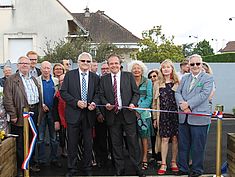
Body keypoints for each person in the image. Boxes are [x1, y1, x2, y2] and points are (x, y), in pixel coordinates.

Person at [99, 54, 145, 177]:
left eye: (116, 63)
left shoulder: (128, 76)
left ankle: (138, 168)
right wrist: (106, 103)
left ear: (120, 64)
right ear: (108, 65)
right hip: (112, 115)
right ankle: (120, 169)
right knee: (116, 144)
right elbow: (101, 95)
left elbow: (136, 93)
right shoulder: (104, 79)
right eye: (111, 63)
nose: (114, 65)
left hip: (128, 115)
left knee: (133, 143)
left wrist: (132, 103)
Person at [60, 52, 100, 177]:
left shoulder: (95, 77)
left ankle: (87, 168)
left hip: (89, 115)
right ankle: (72, 168)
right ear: (78, 62)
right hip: (73, 113)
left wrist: (94, 102)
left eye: (88, 61)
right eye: (83, 61)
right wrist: (76, 102)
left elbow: (98, 94)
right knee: (72, 143)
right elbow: (63, 92)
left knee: (88, 143)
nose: (85, 63)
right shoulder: (69, 75)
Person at [175, 54, 213, 177]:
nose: (195, 66)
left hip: (199, 118)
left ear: (201, 65)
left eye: (197, 64)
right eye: (192, 64)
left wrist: (188, 105)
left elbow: (204, 95)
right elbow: (177, 92)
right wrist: (182, 105)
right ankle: (183, 168)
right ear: (189, 66)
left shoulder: (207, 78)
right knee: (183, 145)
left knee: (197, 147)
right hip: (183, 117)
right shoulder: (185, 78)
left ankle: (197, 170)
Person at [3, 56, 42, 176]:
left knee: (31, 139)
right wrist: (13, 114)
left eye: (27, 63)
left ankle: (29, 164)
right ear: (18, 65)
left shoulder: (34, 79)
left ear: (30, 65)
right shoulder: (11, 79)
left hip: (33, 113)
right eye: (22, 63)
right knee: (20, 142)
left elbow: (38, 97)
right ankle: (21, 167)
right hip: (20, 115)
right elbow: (7, 99)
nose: (25, 65)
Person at [152, 59, 179, 175]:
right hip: (162, 115)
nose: (166, 69)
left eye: (168, 67)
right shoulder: (157, 83)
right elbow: (154, 102)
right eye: (164, 67)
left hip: (175, 115)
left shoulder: (178, 83)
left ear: (172, 68)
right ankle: (163, 163)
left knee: (175, 139)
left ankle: (173, 162)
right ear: (161, 70)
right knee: (164, 139)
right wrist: (154, 118)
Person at [128, 60, 153, 171]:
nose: (136, 70)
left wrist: (140, 109)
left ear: (142, 70)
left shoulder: (148, 82)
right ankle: (135, 160)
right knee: (133, 138)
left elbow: (149, 97)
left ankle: (144, 159)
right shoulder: (128, 81)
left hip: (143, 114)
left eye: (138, 68)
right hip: (130, 112)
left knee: (144, 137)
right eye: (134, 68)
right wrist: (133, 109)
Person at [36, 61, 61, 168]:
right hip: (41, 113)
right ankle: (41, 159)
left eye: (48, 68)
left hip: (53, 113)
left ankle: (54, 159)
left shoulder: (55, 81)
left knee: (54, 138)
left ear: (50, 69)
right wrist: (42, 104)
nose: (46, 70)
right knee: (40, 138)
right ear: (40, 69)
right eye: (44, 68)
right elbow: (35, 96)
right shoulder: (36, 81)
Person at [93, 61, 111, 168]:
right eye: (103, 69)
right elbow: (96, 97)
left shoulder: (114, 81)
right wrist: (98, 113)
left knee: (113, 139)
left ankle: (113, 157)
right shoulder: (98, 81)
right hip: (100, 115)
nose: (105, 70)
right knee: (101, 139)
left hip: (113, 116)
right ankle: (102, 159)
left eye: (107, 69)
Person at [147, 69, 162, 163]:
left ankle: (159, 157)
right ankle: (154, 155)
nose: (152, 78)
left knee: (159, 136)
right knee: (152, 136)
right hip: (149, 115)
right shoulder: (149, 87)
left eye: (154, 76)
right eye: (151, 77)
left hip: (157, 114)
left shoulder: (160, 86)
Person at [53, 74, 67, 158]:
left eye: (64, 80)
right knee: (62, 136)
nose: (63, 82)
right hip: (61, 119)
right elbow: (54, 109)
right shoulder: (57, 95)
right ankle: (63, 150)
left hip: (73, 119)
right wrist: (56, 121)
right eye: (61, 80)